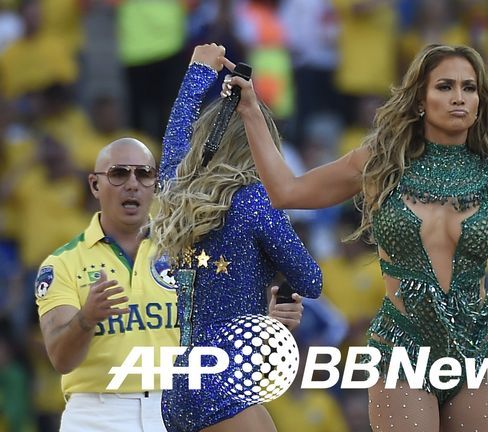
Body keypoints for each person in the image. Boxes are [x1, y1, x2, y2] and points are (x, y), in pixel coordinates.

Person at [224, 43, 488, 431]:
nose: (459, 97)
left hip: (477, 345)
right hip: (402, 342)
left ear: (480, 101)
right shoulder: (379, 163)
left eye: (469, 88)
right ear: (421, 100)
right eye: (445, 86)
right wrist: (252, 111)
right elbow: (288, 192)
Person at [35, 137, 306, 432]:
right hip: (98, 413)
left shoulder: (192, 253)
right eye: (119, 173)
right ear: (95, 185)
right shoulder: (62, 264)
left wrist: (266, 323)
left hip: (179, 408)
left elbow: (223, 342)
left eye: (144, 174)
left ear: (156, 184)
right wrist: (86, 319)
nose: (132, 184)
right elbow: (61, 359)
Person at [150, 44, 322, 432]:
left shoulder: (177, 190)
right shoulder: (256, 202)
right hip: (223, 380)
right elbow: (311, 280)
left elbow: (176, 135)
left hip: (181, 386)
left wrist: (198, 71)